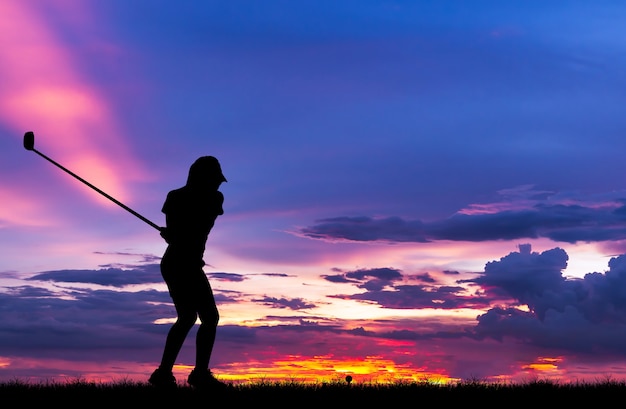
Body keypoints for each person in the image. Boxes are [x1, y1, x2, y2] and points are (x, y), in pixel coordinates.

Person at [149, 156, 228, 389]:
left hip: (186, 261)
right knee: (205, 317)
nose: (218, 185)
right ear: (203, 178)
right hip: (179, 262)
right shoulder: (184, 197)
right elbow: (182, 229)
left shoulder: (207, 198)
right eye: (215, 180)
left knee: (190, 317)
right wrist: (174, 234)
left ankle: (166, 374)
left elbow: (199, 224)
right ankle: (196, 375)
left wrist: (175, 234)